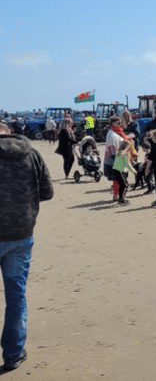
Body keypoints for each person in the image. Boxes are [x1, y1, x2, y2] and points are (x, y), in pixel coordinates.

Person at [0, 121, 53, 371]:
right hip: (21, 231)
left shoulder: (32, 153)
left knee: (16, 296)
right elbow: (47, 192)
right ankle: (13, 353)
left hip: (19, 234)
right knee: (16, 295)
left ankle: (13, 352)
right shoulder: (30, 153)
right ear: (9, 131)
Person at [104, 115, 126, 202]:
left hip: (118, 157)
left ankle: (117, 195)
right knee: (118, 179)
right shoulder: (110, 134)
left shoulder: (116, 132)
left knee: (118, 179)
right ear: (113, 123)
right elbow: (111, 148)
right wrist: (116, 159)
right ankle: (117, 196)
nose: (120, 125)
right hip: (114, 159)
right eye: (118, 123)